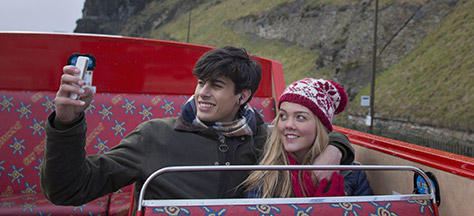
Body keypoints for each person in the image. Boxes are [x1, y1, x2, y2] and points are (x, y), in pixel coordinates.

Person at [40, 46, 354, 206]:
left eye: (216, 86)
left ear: (242, 96)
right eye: (201, 83)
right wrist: (67, 122)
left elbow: (313, 127)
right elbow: (69, 190)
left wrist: (336, 149)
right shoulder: (155, 136)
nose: (202, 93)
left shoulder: (267, 140)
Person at [242, 78, 373, 197]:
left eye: (300, 117)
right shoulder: (265, 177)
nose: (288, 125)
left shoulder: (352, 175)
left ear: (320, 126)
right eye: (283, 116)